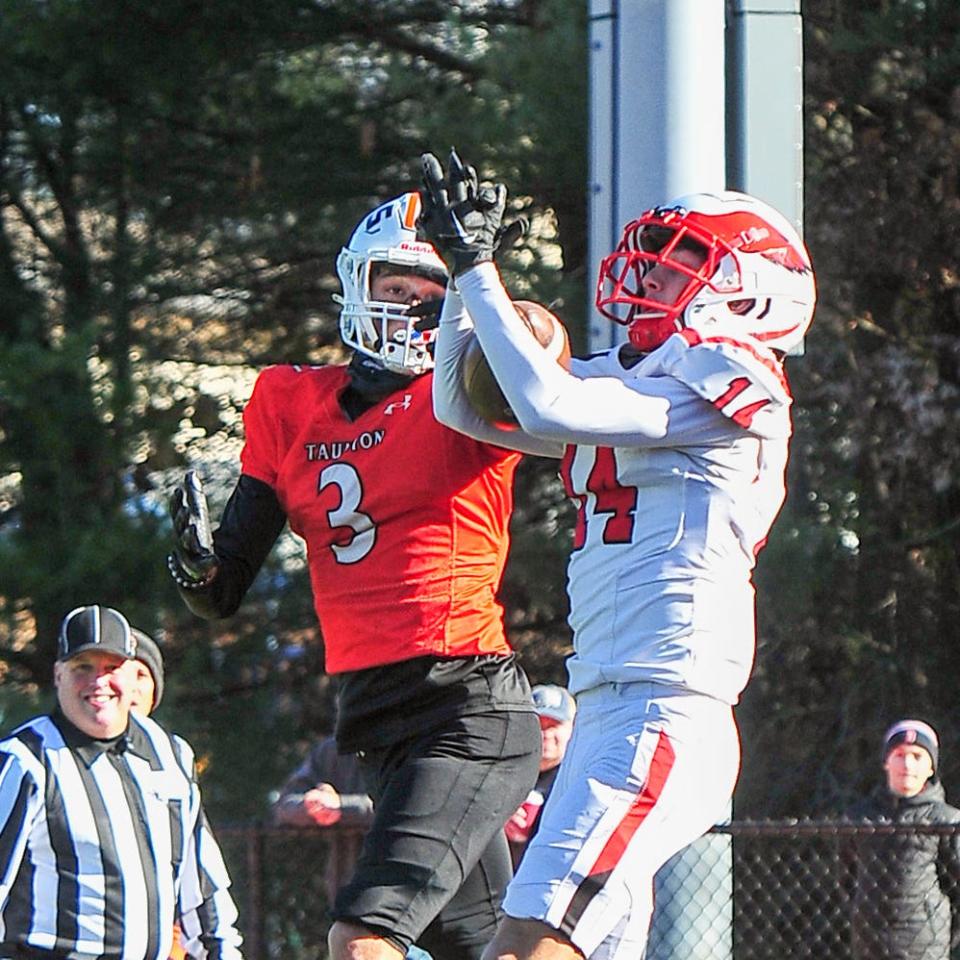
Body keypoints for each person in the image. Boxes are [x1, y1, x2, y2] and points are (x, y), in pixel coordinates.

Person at [418, 148, 817, 960]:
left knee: (528, 944)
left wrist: (481, 269)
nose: (648, 277)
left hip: (666, 706)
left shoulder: (731, 374)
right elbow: (462, 408)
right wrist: (465, 283)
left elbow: (545, 396)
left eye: (681, 266)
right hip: (608, 700)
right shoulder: (638, 376)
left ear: (752, 288)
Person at [166, 191, 543, 960]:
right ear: (356, 285)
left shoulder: (465, 395)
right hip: (377, 719)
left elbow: (535, 354)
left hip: (463, 704)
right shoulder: (291, 402)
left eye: (428, 293)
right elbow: (224, 587)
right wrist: (197, 569)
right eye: (393, 286)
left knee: (363, 937)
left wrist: (482, 272)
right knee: (484, 944)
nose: (408, 307)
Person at [0, 604, 243, 960]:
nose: (99, 682)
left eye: (111, 668)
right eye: (83, 667)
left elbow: (202, 891)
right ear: (58, 675)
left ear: (133, 677)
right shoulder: (24, 761)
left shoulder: (169, 755)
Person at [844, 720, 960, 960]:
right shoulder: (860, 817)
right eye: (899, 755)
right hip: (868, 945)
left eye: (917, 756)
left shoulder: (947, 820)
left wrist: (935, 929)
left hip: (924, 949)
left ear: (931, 768)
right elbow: (847, 877)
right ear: (887, 762)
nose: (907, 764)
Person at [270, 734, 375, 906]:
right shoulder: (333, 748)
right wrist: (313, 805)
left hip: (405, 888)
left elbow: (410, 803)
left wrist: (341, 806)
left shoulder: (412, 742)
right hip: (344, 889)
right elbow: (285, 805)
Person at [504, 685, 575, 867]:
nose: (545, 734)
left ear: (572, 729)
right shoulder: (501, 773)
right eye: (538, 724)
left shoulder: (576, 780)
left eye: (554, 725)